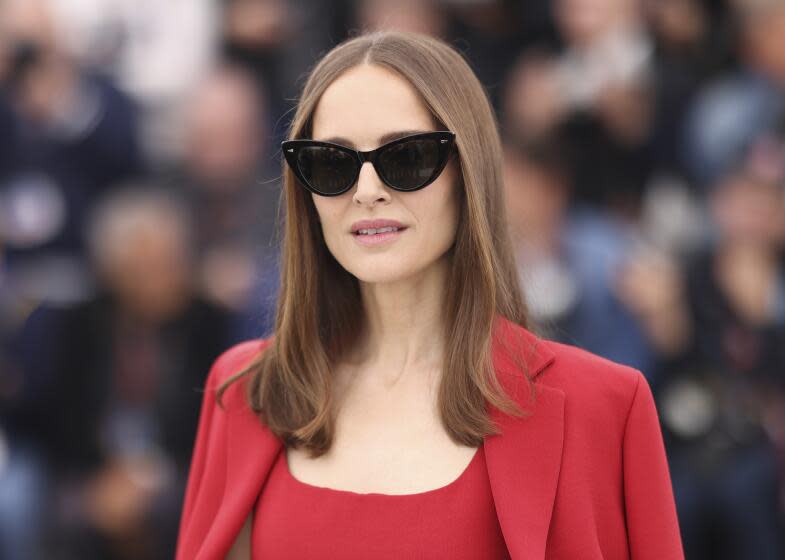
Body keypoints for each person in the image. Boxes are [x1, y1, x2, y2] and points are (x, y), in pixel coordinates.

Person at [176, 30, 684, 559]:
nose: (367, 190)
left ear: (470, 174)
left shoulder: (603, 407)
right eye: (331, 162)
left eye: (408, 157)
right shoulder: (242, 392)